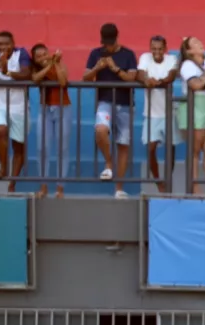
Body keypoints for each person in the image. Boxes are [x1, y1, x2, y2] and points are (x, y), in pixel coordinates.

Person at [84, 23, 138, 198]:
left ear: (117, 38)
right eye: (105, 43)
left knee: (123, 145)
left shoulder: (128, 54)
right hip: (104, 101)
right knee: (100, 130)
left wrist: (115, 68)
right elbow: (85, 77)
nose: (108, 46)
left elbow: (132, 78)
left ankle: (119, 188)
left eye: (111, 43)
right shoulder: (95, 53)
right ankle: (109, 163)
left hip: (125, 104)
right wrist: (97, 68)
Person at [0, 31, 31, 192]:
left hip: (19, 106)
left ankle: (12, 183)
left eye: (6, 44)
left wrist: (8, 72)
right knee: (0, 129)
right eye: (0, 44)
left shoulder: (21, 53)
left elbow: (26, 74)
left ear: (12, 44)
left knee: (18, 146)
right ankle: (3, 167)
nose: (3, 47)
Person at [178, 37, 205, 195]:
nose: (200, 44)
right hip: (195, 105)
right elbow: (195, 84)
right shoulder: (187, 65)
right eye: (196, 43)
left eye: (200, 41)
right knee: (195, 150)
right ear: (189, 51)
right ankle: (195, 187)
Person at [137, 35, 179, 194]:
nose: (157, 52)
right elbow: (140, 74)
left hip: (169, 112)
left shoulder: (171, 59)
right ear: (150, 48)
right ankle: (158, 181)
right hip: (151, 114)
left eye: (160, 49)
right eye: (154, 49)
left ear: (165, 49)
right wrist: (147, 80)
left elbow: (171, 76)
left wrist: (158, 82)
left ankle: (168, 179)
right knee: (150, 148)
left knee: (171, 149)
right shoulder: (145, 58)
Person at [31, 43, 72, 199]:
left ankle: (60, 188)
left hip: (63, 108)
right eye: (38, 56)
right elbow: (35, 79)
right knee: (42, 148)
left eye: (44, 54)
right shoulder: (36, 69)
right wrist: (49, 65)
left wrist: (56, 63)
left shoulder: (60, 64)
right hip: (45, 109)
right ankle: (43, 187)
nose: (43, 58)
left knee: (62, 149)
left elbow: (62, 81)